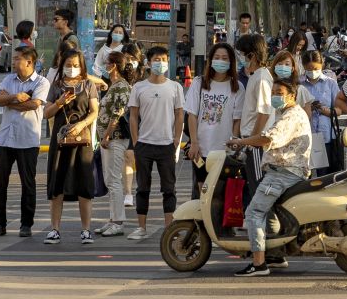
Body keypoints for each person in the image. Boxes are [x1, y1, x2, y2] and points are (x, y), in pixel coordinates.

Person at [229, 78, 312, 276]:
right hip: (285, 171)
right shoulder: (287, 113)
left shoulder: (290, 116)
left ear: (291, 96)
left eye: (279, 92)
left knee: (254, 213)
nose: (275, 95)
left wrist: (241, 141)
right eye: (273, 91)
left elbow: (268, 138)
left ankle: (258, 264)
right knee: (270, 213)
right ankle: (274, 255)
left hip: (284, 172)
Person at [0, 46, 50, 237]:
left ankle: (26, 224)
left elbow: (33, 104)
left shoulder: (42, 82)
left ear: (29, 62)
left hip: (27, 140)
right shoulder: (8, 79)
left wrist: (9, 102)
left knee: (28, 184)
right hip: (5, 139)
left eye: (17, 59)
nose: (14, 62)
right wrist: (14, 97)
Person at [42, 48, 100, 245]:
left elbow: (94, 112)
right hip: (60, 141)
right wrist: (59, 102)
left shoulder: (88, 85)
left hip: (82, 141)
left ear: (82, 66)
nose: (72, 69)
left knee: (84, 185)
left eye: (76, 65)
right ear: (62, 65)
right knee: (57, 185)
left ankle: (86, 230)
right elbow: (46, 113)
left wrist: (81, 125)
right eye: (68, 65)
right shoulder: (56, 86)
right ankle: (55, 229)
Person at [127, 46, 184, 241]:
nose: (161, 63)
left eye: (164, 59)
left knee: (169, 189)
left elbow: (180, 114)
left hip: (166, 144)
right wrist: (135, 141)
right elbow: (133, 116)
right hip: (144, 144)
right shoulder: (139, 87)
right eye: (157, 59)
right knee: (142, 187)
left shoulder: (175, 87)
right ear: (149, 63)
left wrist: (177, 138)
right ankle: (141, 228)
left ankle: (169, 228)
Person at [184, 43, 243, 200]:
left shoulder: (237, 87)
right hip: (201, 151)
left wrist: (233, 145)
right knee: (203, 194)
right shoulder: (198, 83)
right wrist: (194, 143)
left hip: (224, 153)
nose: (220, 61)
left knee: (221, 196)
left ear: (231, 61)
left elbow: (237, 120)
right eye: (217, 57)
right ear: (210, 60)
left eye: (224, 58)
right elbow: (192, 115)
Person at [93, 51, 133, 236]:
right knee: (110, 180)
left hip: (115, 138)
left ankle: (118, 222)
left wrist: (107, 135)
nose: (105, 66)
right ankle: (112, 219)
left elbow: (117, 113)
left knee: (114, 180)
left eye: (107, 63)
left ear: (114, 65)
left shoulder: (122, 87)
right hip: (108, 139)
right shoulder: (113, 85)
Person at [235, 34, 274, 183]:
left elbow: (264, 112)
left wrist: (251, 141)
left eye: (241, 54)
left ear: (251, 55)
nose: (240, 57)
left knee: (257, 186)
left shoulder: (262, 78)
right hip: (252, 142)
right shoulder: (255, 76)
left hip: (256, 145)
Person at [300, 50, 339, 176]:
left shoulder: (330, 83)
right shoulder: (299, 84)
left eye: (316, 68)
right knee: (305, 172)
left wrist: (326, 111)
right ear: (304, 66)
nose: (312, 71)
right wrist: (307, 108)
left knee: (324, 174)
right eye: (309, 68)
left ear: (322, 64)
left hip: (325, 135)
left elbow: (339, 110)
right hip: (303, 134)